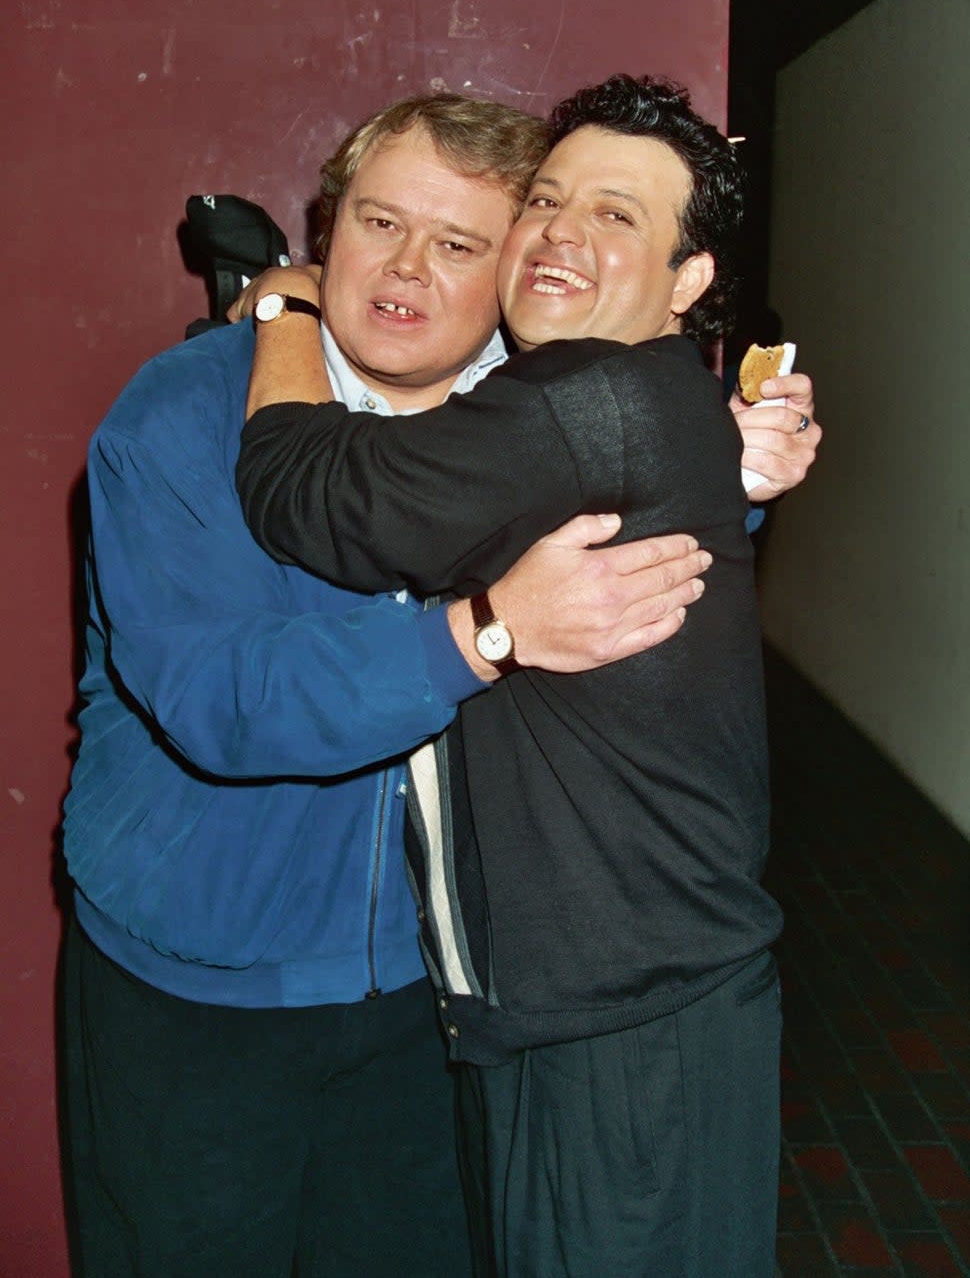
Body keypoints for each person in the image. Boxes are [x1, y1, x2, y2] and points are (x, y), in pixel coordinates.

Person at [62, 94, 734, 1278]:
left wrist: (747, 458)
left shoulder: (524, 408)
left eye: (460, 243)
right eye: (379, 223)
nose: (404, 271)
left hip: (430, 997)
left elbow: (634, 535)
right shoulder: (184, 415)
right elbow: (229, 698)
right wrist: (482, 632)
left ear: (511, 267)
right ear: (327, 227)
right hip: (200, 985)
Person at [236, 74, 814, 1278]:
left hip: (624, 1024)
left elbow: (315, 497)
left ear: (689, 282)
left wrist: (280, 308)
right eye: (547, 201)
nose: (560, 232)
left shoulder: (587, 394)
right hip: (623, 1002)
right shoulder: (635, 401)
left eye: (617, 215)